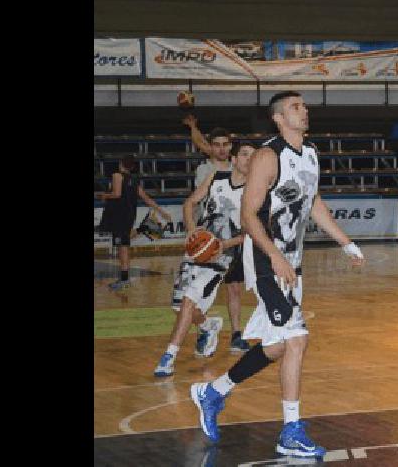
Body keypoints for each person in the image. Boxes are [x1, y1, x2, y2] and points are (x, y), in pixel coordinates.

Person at [189, 91, 365, 458]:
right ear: (278, 118)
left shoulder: (312, 154)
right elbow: (248, 215)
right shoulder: (269, 156)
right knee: (298, 339)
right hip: (267, 261)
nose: (305, 110)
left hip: (291, 262)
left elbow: (313, 203)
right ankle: (290, 431)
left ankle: (214, 391)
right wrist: (274, 257)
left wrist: (346, 243)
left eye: (304, 106)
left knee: (278, 345)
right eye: (296, 107)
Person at [154, 143, 255, 377]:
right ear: (234, 158)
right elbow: (189, 203)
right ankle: (208, 325)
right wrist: (192, 231)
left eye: (253, 156)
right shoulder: (215, 178)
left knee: (189, 301)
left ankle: (168, 357)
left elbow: (249, 233)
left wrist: (222, 245)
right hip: (197, 249)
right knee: (179, 307)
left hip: (221, 258)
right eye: (244, 154)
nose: (249, 159)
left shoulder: (255, 192)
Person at [97, 155, 171, 290]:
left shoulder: (117, 175)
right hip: (128, 216)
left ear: (120, 164)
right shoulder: (134, 180)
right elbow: (146, 198)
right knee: (123, 243)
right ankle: (144, 229)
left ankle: (124, 279)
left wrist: (103, 195)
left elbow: (117, 194)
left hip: (118, 215)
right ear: (132, 167)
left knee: (122, 247)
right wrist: (161, 211)